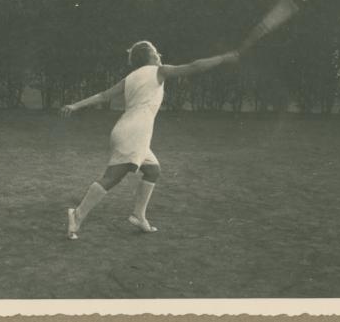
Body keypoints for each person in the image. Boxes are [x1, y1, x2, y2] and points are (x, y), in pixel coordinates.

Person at [60, 41, 240, 239]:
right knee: (113, 177)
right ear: (151, 56)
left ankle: (138, 215)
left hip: (126, 130)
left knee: (153, 170)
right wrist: (222, 59)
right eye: (156, 52)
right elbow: (194, 67)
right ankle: (77, 215)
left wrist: (75, 105)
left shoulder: (131, 77)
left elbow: (103, 95)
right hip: (134, 133)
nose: (159, 55)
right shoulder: (158, 70)